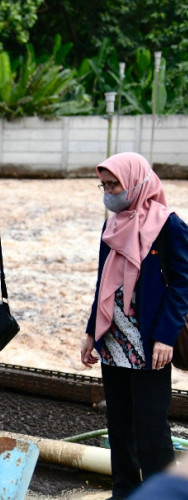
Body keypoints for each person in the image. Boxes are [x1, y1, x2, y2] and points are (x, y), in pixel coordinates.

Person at [81, 152, 188, 499]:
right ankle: (124, 491)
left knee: (152, 428)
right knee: (120, 424)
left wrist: (165, 337)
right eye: (105, 185)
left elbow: (183, 285)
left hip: (150, 343)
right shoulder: (111, 224)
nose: (109, 192)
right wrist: (90, 333)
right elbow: (103, 282)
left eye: (115, 185)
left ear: (137, 183)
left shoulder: (169, 224)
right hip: (113, 338)